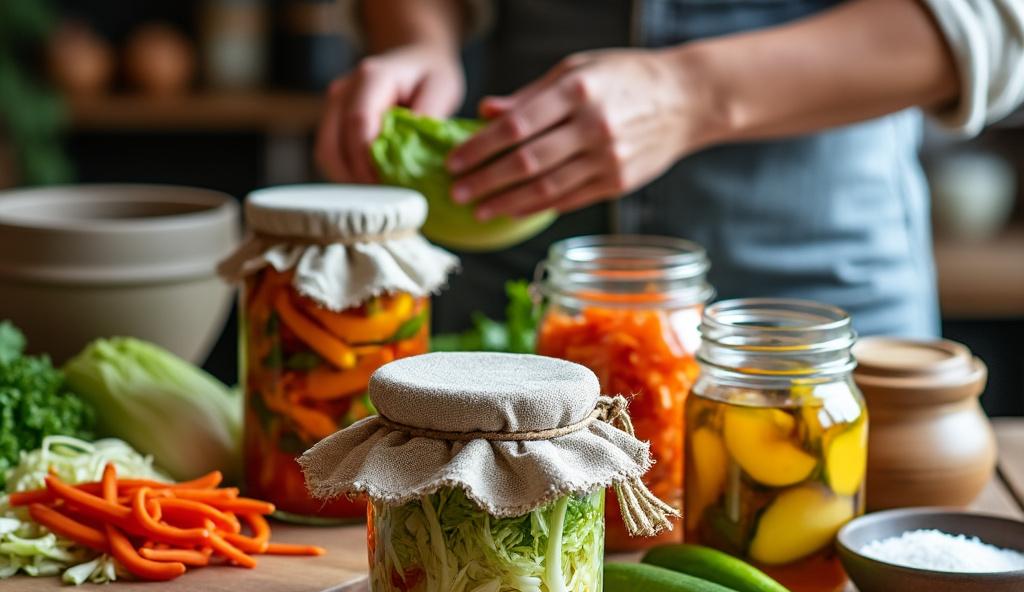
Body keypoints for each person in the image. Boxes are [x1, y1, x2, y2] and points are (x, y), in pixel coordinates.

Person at [316, 0, 1024, 337]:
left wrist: (689, 93)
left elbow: (995, 19)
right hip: (512, 310)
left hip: (808, 317)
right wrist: (419, 40)